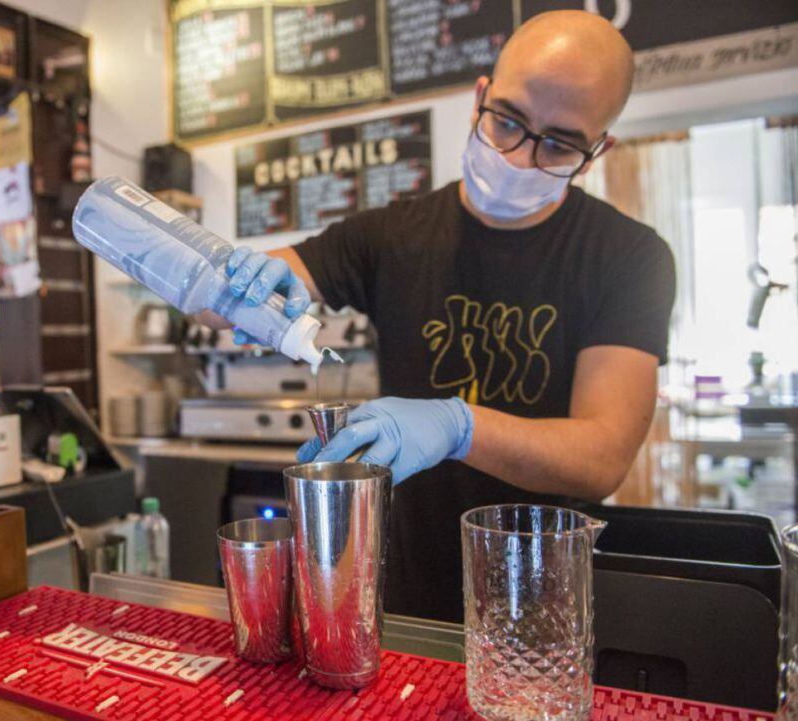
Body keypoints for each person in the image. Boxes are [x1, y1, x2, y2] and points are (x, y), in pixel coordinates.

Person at [202, 10, 676, 621]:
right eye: (506, 120)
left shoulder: (629, 257)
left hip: (544, 600)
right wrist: (224, 281)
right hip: (401, 587)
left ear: (598, 149)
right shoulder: (393, 235)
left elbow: (601, 458)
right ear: (480, 95)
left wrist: (459, 427)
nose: (519, 157)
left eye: (558, 143)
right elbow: (222, 303)